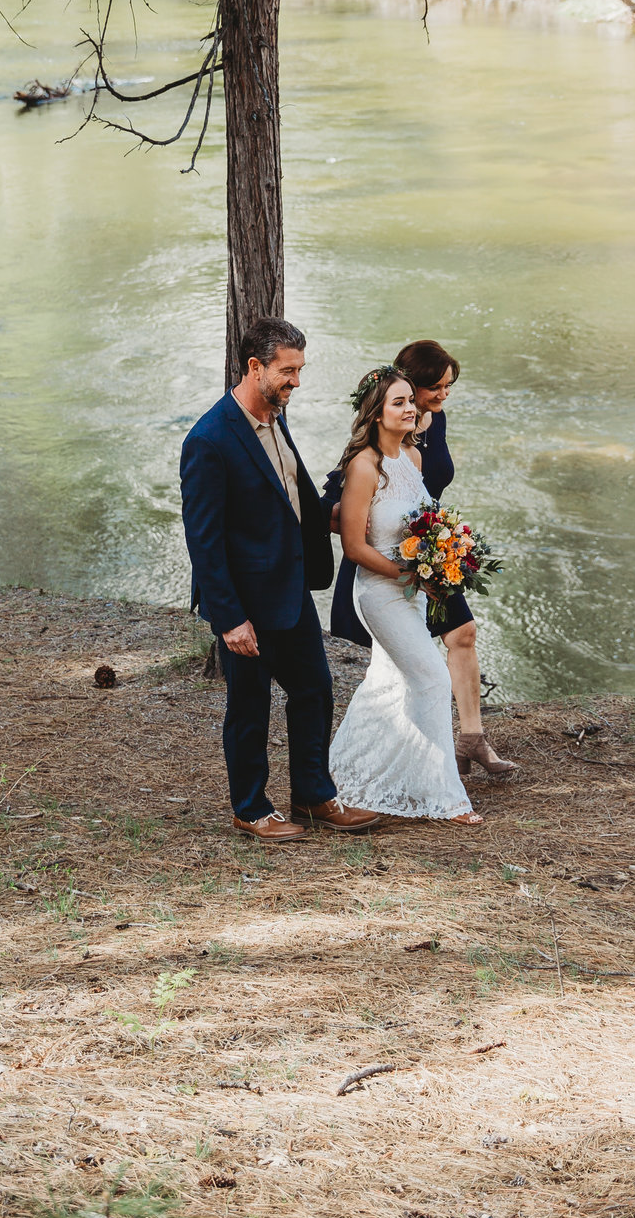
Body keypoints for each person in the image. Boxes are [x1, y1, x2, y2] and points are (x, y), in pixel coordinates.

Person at [180, 318, 382, 843]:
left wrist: (334, 514)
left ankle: (313, 796)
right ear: (255, 367)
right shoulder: (208, 440)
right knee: (249, 708)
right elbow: (205, 542)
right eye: (287, 371)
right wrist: (229, 619)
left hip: (289, 594)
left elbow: (284, 498)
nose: (297, 382)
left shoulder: (275, 417)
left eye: (299, 370)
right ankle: (250, 808)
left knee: (314, 690)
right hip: (246, 605)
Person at [324, 339, 518, 779]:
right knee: (401, 675)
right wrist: (383, 534)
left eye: (448, 387)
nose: (442, 396)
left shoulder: (432, 422)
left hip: (432, 562)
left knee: (462, 634)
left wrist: (441, 543)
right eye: (435, 388)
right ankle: (395, 762)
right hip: (390, 566)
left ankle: (469, 739)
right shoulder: (378, 443)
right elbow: (334, 506)